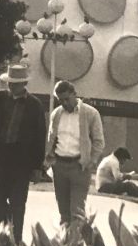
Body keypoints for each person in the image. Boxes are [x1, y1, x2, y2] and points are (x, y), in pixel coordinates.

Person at [0, 62, 46, 243]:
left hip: (21, 163)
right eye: (10, 83)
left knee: (18, 204)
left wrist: (37, 167)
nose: (11, 86)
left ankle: (15, 242)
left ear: (24, 84)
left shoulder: (34, 105)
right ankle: (5, 232)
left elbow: (39, 138)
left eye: (15, 83)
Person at [45, 80, 105, 227]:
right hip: (59, 166)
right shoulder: (56, 114)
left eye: (67, 99)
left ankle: (76, 245)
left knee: (77, 213)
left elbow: (98, 141)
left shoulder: (91, 114)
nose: (64, 103)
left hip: (79, 167)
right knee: (63, 213)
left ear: (74, 94)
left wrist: (91, 161)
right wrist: (50, 159)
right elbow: (51, 138)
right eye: (61, 100)